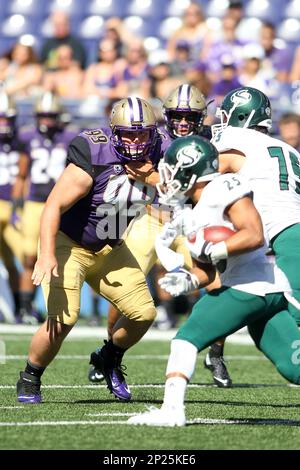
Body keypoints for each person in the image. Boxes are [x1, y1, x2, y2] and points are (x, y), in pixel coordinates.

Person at [127, 135, 300, 427]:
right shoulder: (191, 209)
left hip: (251, 286)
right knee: (293, 366)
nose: (167, 178)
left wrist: (217, 248)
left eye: (171, 170)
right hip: (265, 292)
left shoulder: (222, 186)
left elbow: (254, 234)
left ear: (190, 168)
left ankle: (171, 410)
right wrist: (186, 282)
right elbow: (206, 272)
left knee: (185, 339)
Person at [16, 97, 166, 404]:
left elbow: (185, 188)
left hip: (110, 246)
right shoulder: (94, 152)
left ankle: (108, 357)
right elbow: (53, 206)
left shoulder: (162, 150)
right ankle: (30, 376)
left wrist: (153, 177)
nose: (136, 141)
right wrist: (45, 254)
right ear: (114, 132)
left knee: (143, 313)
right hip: (69, 243)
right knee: (64, 318)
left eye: (142, 134)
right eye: (128, 133)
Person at [87, 84, 217, 383]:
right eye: (177, 115)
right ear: (167, 115)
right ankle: (110, 354)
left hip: (190, 221)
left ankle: (217, 353)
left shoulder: (213, 141)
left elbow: (207, 189)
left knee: (216, 283)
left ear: (201, 116)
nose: (182, 122)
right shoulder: (153, 138)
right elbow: (135, 168)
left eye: (189, 116)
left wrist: (162, 178)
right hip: (152, 218)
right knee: (122, 292)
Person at [211, 87, 300, 325]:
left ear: (241, 116)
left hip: (285, 233)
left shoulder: (235, 140)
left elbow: (205, 173)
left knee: (295, 316)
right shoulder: (288, 149)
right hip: (285, 232)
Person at [13, 92, 78, 324]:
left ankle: (62, 308)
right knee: (30, 258)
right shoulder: (27, 136)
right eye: (43, 115)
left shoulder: (70, 136)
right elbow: (22, 175)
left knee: (68, 257)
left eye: (51, 115)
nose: (47, 120)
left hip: (63, 203)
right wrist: (15, 205)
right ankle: (25, 308)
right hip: (34, 204)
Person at [0, 91, 26, 319]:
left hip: (12, 207)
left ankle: (21, 308)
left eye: (7, 119)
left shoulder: (22, 140)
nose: (4, 124)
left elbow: (24, 176)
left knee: (23, 259)